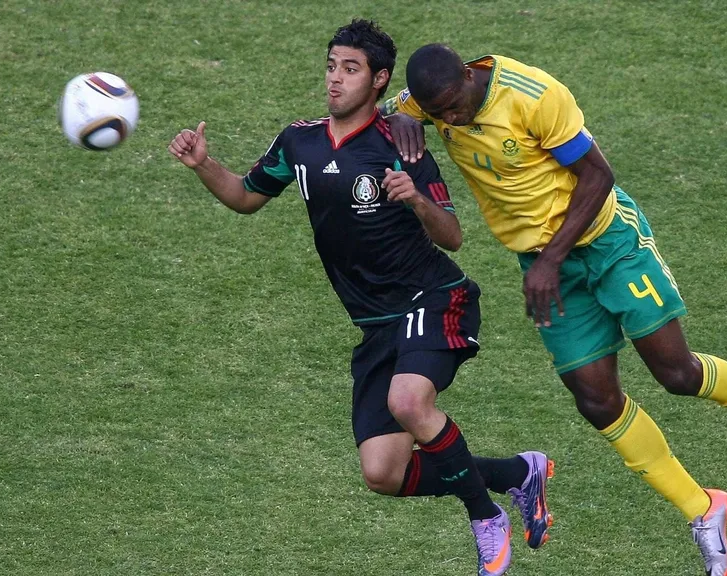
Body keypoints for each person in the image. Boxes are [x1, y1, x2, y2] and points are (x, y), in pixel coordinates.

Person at [380, 44, 727, 576]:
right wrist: (405, 118)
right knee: (595, 398)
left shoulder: (535, 96)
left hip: (606, 241)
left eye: (454, 106)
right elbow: (402, 106)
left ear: (471, 77)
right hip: (546, 265)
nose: (451, 118)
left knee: (675, 373)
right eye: (440, 113)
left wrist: (552, 260)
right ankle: (704, 509)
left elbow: (598, 176)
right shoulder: (435, 100)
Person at [167, 22, 554, 576]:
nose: (335, 79)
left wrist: (416, 199)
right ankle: (518, 473)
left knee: (409, 404)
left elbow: (452, 235)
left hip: (435, 297)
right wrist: (203, 163)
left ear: (378, 80)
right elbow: (246, 197)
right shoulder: (298, 141)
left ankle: (484, 516)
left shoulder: (401, 142)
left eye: (350, 69)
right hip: (376, 325)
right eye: (331, 66)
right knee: (382, 473)